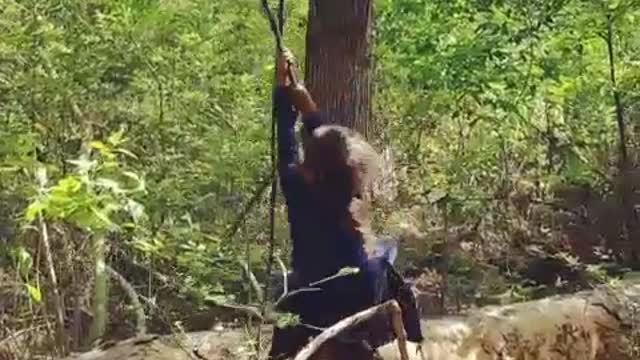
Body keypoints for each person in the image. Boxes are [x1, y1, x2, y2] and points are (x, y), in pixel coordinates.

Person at [268, 50, 422, 360]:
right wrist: (309, 108)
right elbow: (330, 149)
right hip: (355, 293)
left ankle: (281, 354)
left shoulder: (297, 187)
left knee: (287, 291)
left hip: (310, 296)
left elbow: (287, 145)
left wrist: (284, 92)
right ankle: (415, 341)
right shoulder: (350, 191)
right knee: (387, 261)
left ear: (311, 167)